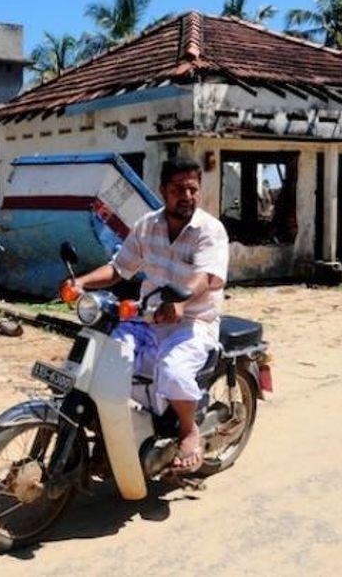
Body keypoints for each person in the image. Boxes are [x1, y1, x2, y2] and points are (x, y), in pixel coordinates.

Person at [64, 156, 229, 473]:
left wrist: (180, 301)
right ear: (163, 191)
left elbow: (207, 277)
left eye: (192, 189)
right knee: (107, 362)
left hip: (193, 322)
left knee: (172, 369)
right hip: (150, 317)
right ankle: (112, 434)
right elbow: (118, 269)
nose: (187, 196)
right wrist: (80, 282)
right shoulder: (146, 225)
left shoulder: (210, 230)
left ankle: (188, 429)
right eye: (178, 189)